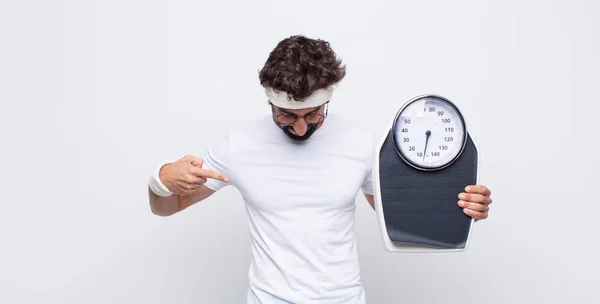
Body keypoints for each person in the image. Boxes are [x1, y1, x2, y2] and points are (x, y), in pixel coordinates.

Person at [147, 35, 493, 303]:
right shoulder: (239, 146)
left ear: (327, 100)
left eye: (312, 115)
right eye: (286, 115)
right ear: (270, 101)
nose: (300, 128)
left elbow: (403, 223)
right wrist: (161, 179)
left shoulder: (360, 143)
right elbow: (167, 207)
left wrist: (458, 208)